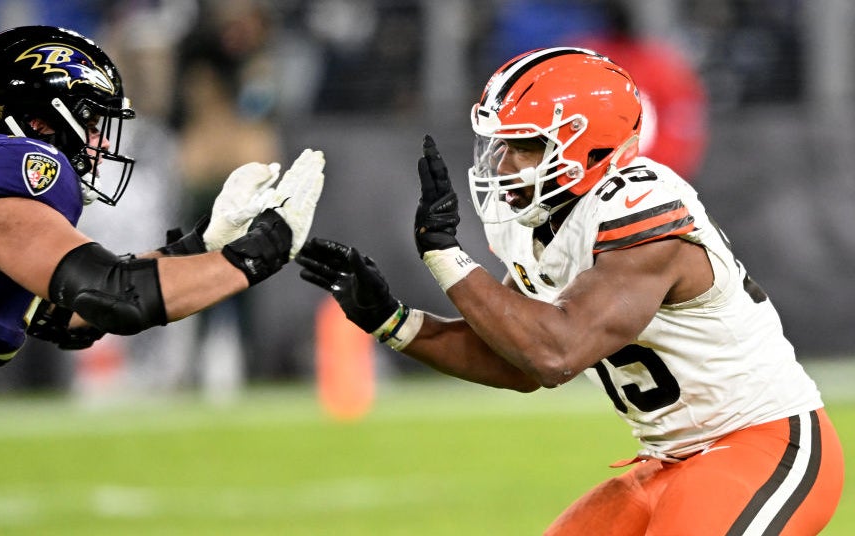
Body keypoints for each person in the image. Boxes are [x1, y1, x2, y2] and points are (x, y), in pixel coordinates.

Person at [296, 47, 843, 534]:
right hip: (668, 460)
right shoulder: (535, 220)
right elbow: (517, 360)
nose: (503, 164)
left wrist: (446, 256)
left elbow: (557, 352)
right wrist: (392, 320)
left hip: (763, 445)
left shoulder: (640, 206)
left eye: (526, 147)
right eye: (500, 145)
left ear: (590, 148)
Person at [0, 25, 324, 534]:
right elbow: (116, 296)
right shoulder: (15, 166)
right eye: (90, 120)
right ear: (39, 117)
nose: (97, 142)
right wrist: (264, 249)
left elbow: (72, 315)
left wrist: (202, 247)